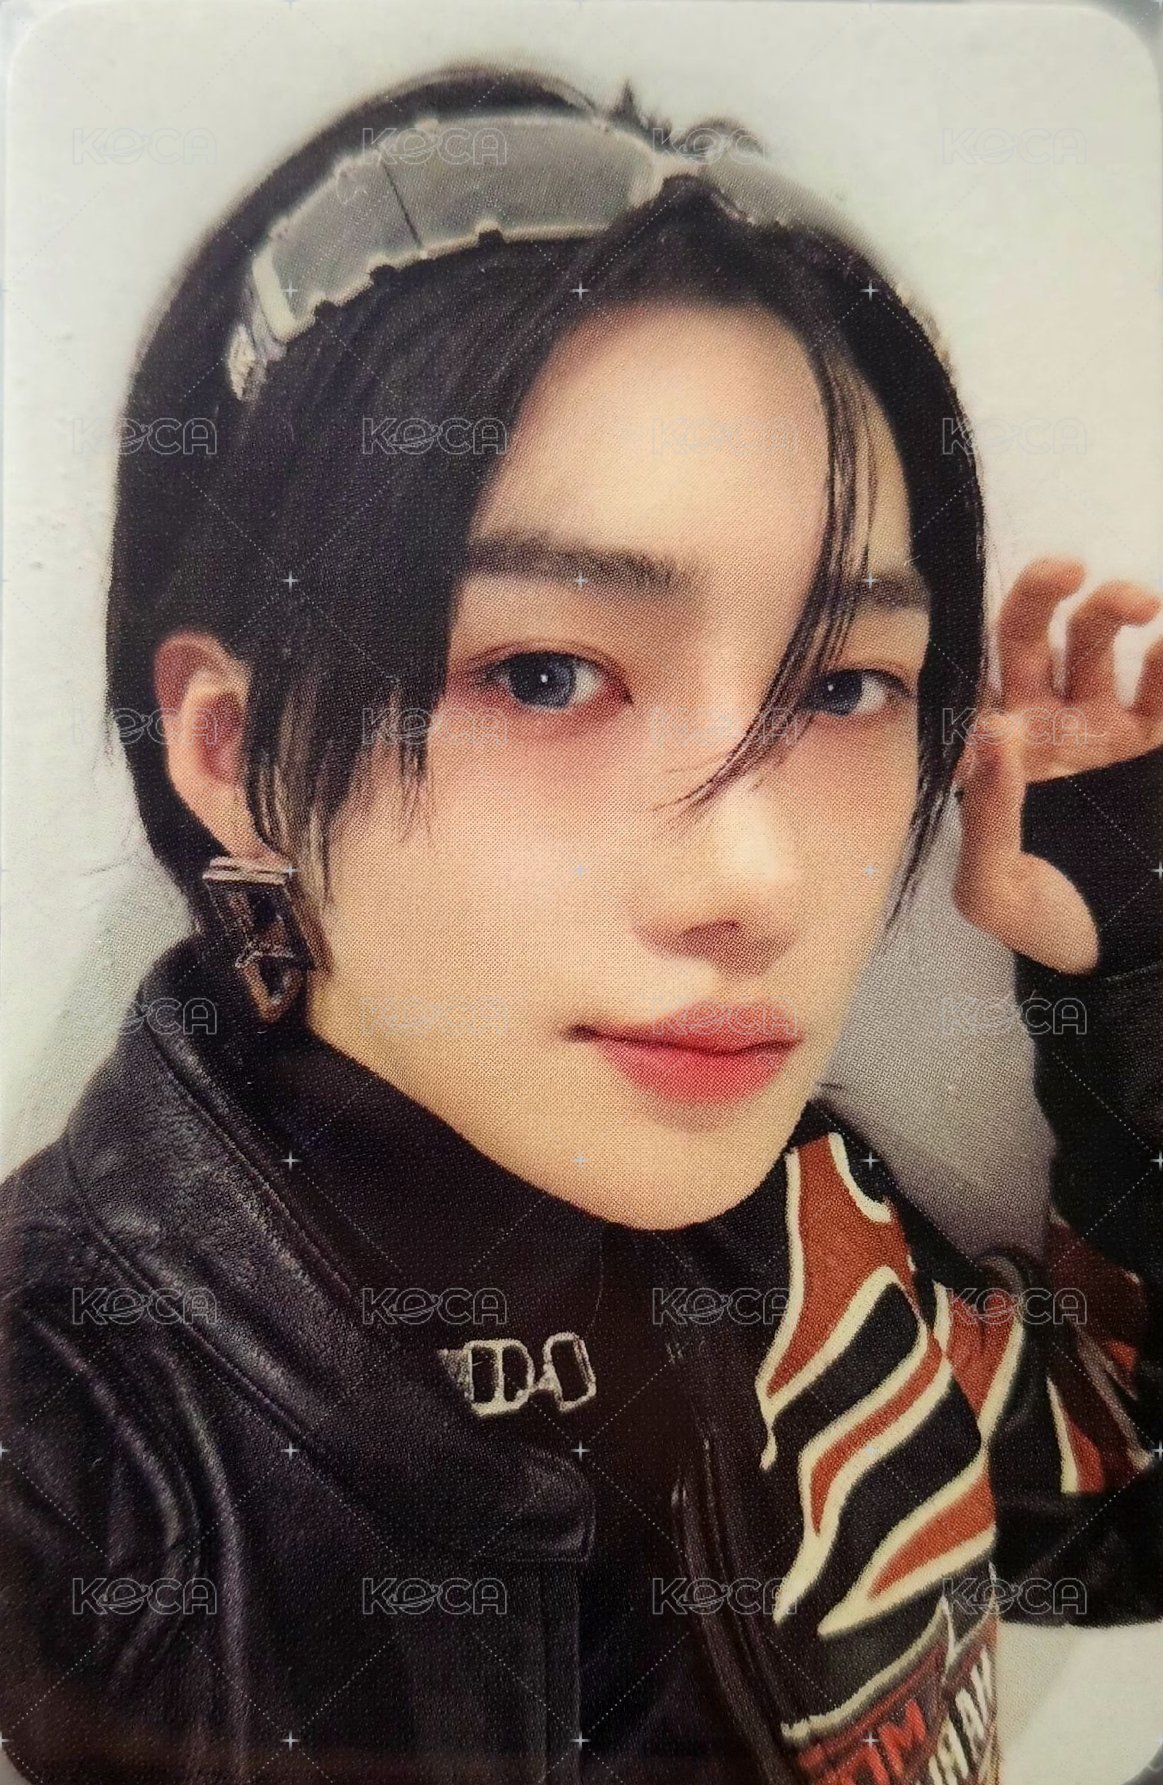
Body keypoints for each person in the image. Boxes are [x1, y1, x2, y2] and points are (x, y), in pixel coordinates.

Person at [1, 65, 1161, 1785]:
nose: (761, 878)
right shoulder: (80, 1452)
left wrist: (1128, 967)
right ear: (233, 756)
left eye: (845, 683)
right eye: (545, 673)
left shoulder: (801, 1210)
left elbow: (1117, 1506)